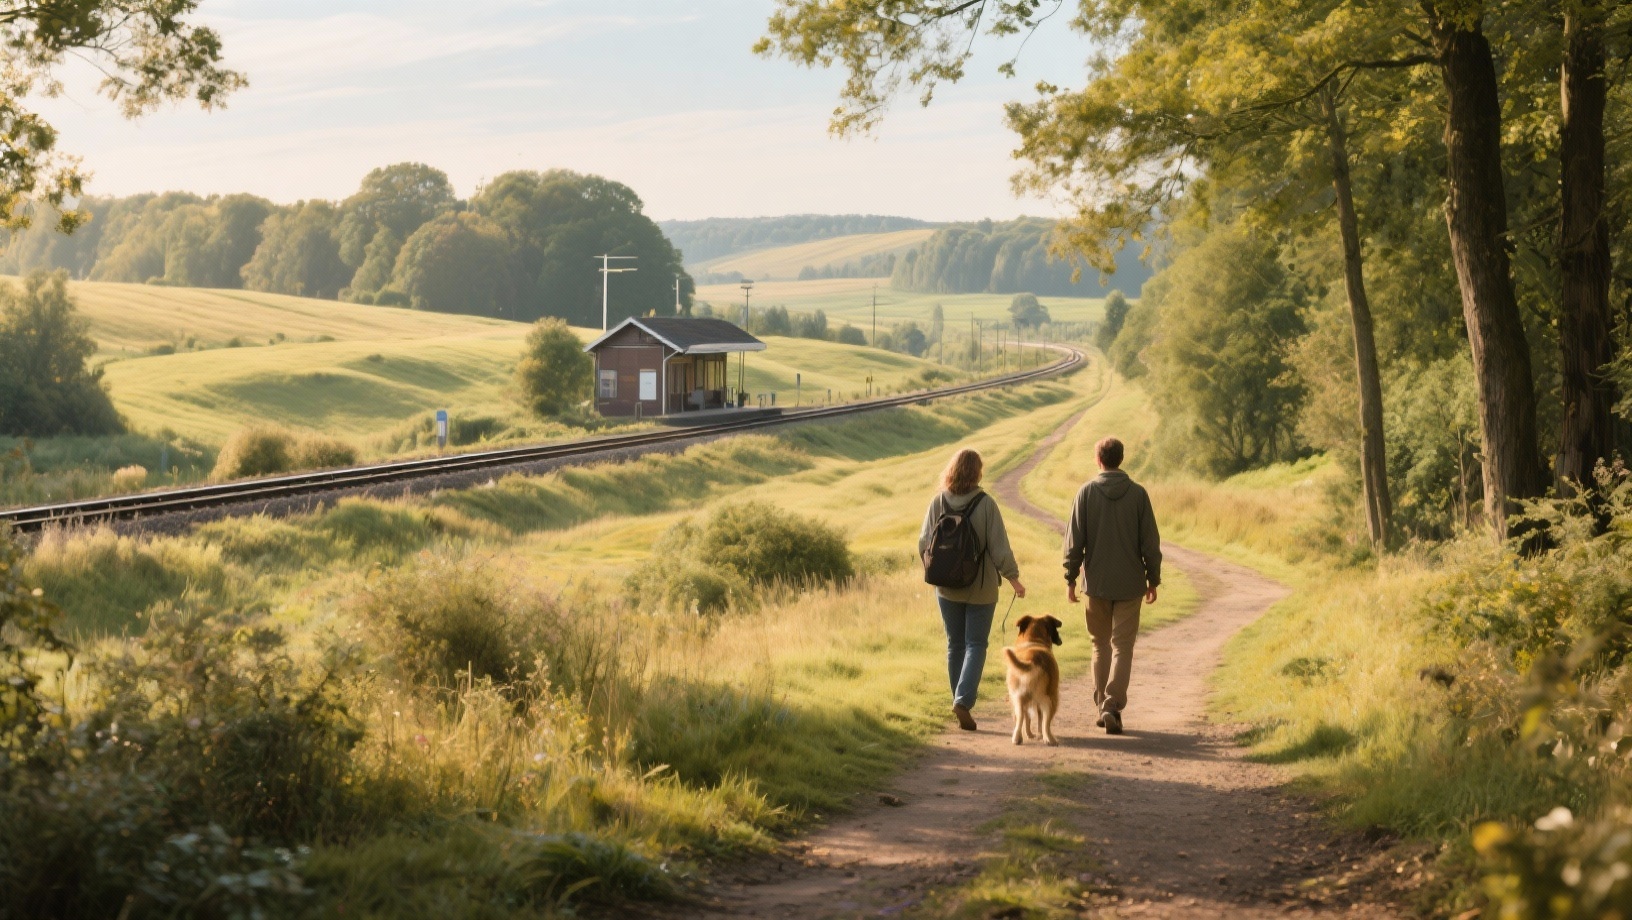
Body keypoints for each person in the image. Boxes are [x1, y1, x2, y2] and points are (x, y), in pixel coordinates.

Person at [919, 448, 1026, 731]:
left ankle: (959, 699)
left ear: (951, 470)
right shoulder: (986, 504)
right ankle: (963, 701)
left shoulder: (938, 501)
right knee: (976, 644)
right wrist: (1013, 578)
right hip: (981, 588)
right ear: (978, 472)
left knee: (955, 644)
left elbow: (923, 543)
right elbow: (999, 547)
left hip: (945, 588)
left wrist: (936, 570)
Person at [1062, 437, 1161, 735]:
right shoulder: (1139, 495)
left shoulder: (1085, 493)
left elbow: (1074, 541)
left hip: (1096, 584)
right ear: (1121, 458)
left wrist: (1070, 578)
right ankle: (1112, 704)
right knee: (1123, 646)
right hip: (1130, 583)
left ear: (1098, 460)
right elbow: (1150, 543)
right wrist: (1152, 578)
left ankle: (1101, 705)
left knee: (1099, 644)